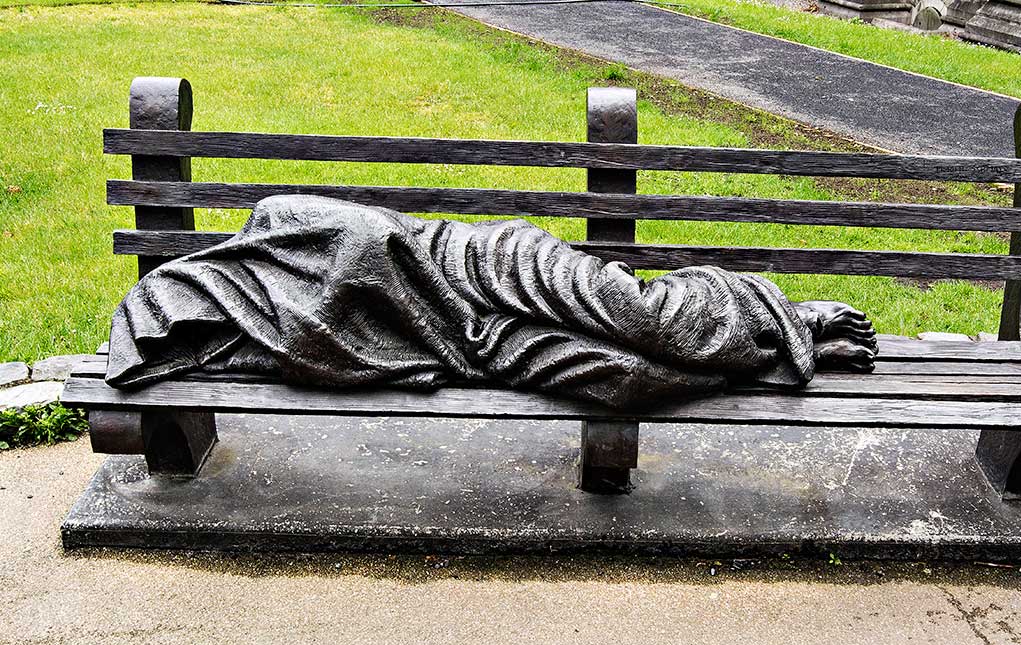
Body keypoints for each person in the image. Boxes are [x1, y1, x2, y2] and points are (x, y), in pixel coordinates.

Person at [107, 195, 877, 409]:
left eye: (171, 333)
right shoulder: (246, 335)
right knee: (623, 380)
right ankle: (774, 356)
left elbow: (371, 250)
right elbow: (334, 355)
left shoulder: (283, 225)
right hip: (469, 344)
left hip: (483, 266)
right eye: (179, 342)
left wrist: (339, 341)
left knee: (644, 317)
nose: (184, 340)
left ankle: (784, 314)